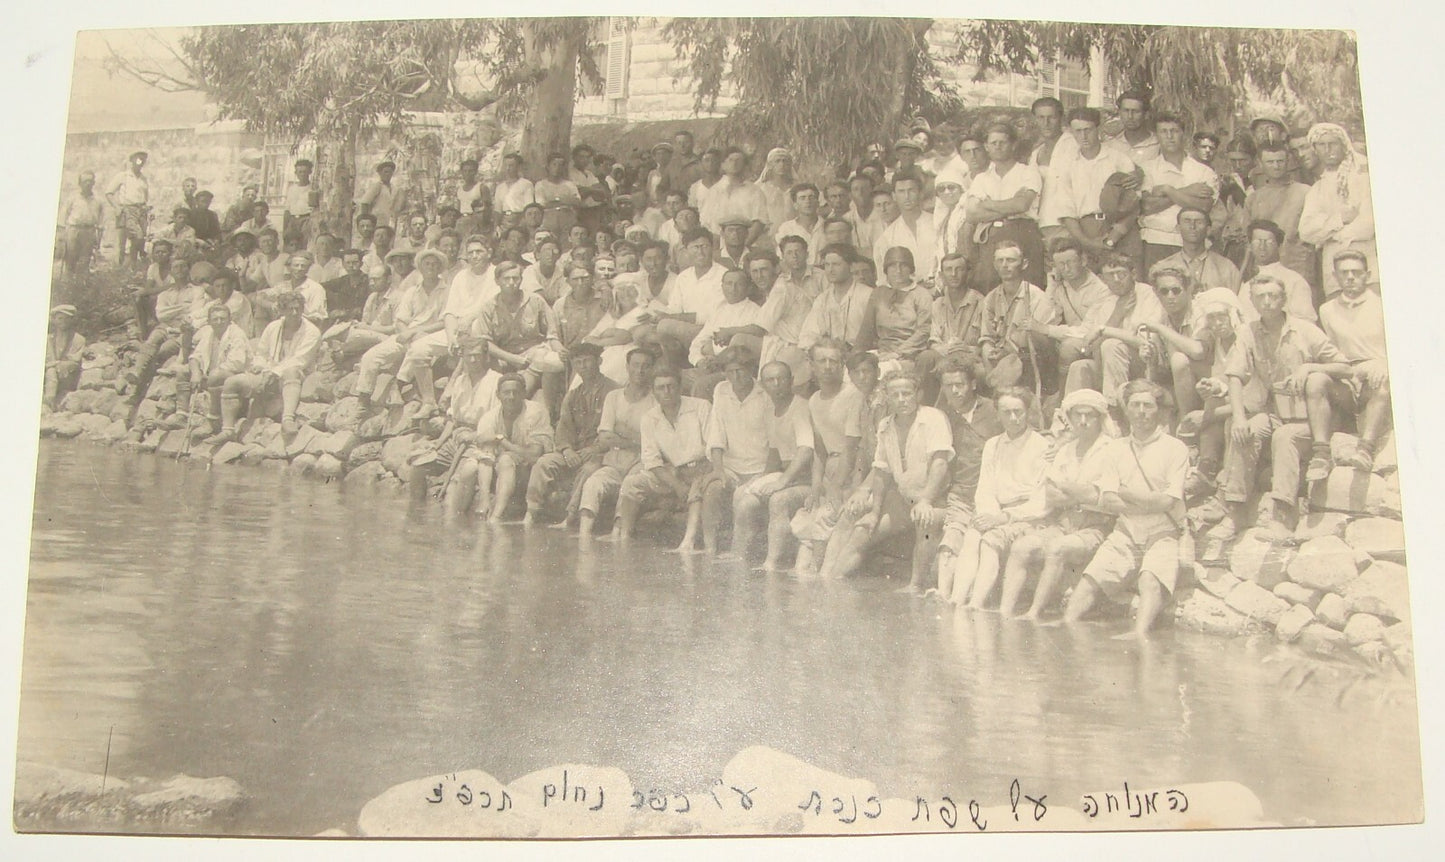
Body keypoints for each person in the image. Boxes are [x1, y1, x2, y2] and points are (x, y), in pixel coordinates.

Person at [1217, 275, 1354, 541]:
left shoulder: (1304, 331)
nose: (1267, 302)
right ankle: (1233, 510)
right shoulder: (1249, 332)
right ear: (1253, 301)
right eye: (1260, 297)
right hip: (1277, 411)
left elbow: (1345, 366)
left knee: (1285, 436)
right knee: (1249, 429)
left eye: (1273, 296)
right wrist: (1238, 418)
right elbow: (1234, 375)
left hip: (1315, 417)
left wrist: (1311, 367)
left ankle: (1283, 516)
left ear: (1284, 300)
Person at [1066, 379, 1189, 639]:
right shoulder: (1116, 448)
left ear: (1158, 410)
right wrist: (1147, 500)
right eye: (1135, 405)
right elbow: (1108, 500)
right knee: (1089, 581)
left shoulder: (1175, 449)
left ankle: (1139, 635)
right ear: (1127, 409)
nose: (1141, 412)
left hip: (1163, 530)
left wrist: (1126, 492)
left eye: (1148, 406)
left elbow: (1168, 502)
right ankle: (1064, 629)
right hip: (1126, 531)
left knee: (1150, 581)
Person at [823, 370, 952, 585]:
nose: (901, 400)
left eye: (907, 393)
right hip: (902, 499)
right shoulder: (885, 426)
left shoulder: (933, 418)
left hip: (936, 498)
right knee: (862, 531)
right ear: (888, 397)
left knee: (925, 521)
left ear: (918, 395)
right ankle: (830, 582)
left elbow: (940, 464)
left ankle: (915, 587)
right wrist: (874, 513)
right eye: (895, 395)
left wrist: (926, 500)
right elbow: (881, 471)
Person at [997, 388, 1113, 619]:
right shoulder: (1066, 450)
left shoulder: (1111, 449)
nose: (1083, 421)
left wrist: (1073, 491)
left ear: (1099, 417)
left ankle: (1034, 612)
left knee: (1057, 548)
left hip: (1096, 526)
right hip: (1063, 522)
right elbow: (1051, 493)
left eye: (1089, 415)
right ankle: (1004, 612)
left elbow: (1102, 497)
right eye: (1077, 415)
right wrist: (1081, 494)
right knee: (1022, 546)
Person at [946, 386, 1050, 608]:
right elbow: (985, 487)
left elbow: (1042, 500)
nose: (1013, 418)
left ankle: (976, 603)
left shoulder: (1042, 446)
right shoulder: (993, 445)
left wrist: (1003, 518)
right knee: (973, 535)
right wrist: (989, 515)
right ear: (998, 414)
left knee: (989, 541)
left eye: (1018, 411)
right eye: (1006, 412)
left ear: (1027, 412)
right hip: (995, 511)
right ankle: (956, 599)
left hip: (1026, 517)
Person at [683, 347, 771, 555]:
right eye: (730, 372)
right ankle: (710, 548)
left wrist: (765, 474)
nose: (735, 377)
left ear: (750, 369)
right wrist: (718, 469)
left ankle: (736, 552)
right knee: (712, 489)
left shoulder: (765, 393)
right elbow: (717, 432)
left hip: (760, 468)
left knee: (743, 499)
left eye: (740, 370)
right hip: (731, 466)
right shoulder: (721, 390)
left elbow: (773, 439)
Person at [928, 356, 1005, 596]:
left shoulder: (994, 410)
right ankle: (945, 598)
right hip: (961, 495)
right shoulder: (941, 415)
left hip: (995, 496)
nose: (954, 390)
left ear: (972, 384)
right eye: (948, 385)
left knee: (978, 551)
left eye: (959, 384)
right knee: (947, 552)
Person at [397, 236, 497, 416]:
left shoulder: (494, 275)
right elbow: (449, 313)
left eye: (479, 252)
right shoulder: (460, 276)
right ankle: (428, 401)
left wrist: (468, 320)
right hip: (457, 329)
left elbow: (488, 307)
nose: (474, 256)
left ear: (489, 253)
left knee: (473, 331)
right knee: (418, 349)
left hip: (482, 329)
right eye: (471, 253)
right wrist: (451, 338)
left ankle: (452, 391)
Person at [730, 360, 815, 567]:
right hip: (785, 474)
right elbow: (775, 451)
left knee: (779, 500)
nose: (776, 384)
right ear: (762, 384)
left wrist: (782, 481)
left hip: (806, 477)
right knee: (743, 495)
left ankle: (771, 562)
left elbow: (806, 451)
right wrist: (764, 477)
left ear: (791, 381)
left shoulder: (800, 407)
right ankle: (738, 555)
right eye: (770, 380)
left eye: (781, 379)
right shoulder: (770, 410)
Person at [615, 366, 712, 542]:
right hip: (673, 473)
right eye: (661, 388)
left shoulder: (701, 407)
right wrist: (677, 484)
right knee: (631, 483)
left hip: (702, 469)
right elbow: (651, 460)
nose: (667, 392)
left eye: (671, 386)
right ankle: (624, 537)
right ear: (653, 391)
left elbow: (712, 447)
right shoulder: (649, 418)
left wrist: (694, 476)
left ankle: (688, 542)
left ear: (680, 387)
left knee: (698, 489)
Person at [523, 342, 615, 527]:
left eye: (587, 361)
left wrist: (594, 449)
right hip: (575, 450)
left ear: (599, 361)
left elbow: (613, 431)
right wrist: (566, 450)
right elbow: (563, 427)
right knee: (543, 463)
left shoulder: (613, 392)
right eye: (578, 362)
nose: (583, 366)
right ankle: (531, 512)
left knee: (589, 469)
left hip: (601, 450)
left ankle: (570, 516)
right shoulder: (572, 395)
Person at [1062, 250, 1165, 412]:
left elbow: (1146, 343)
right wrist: (1116, 315)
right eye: (1110, 275)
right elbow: (1090, 347)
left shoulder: (1149, 295)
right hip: (1109, 365)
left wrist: (1105, 330)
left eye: (1121, 274)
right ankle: (1069, 416)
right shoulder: (1106, 300)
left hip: (1146, 363)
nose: (1116, 280)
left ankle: (1114, 410)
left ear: (1133, 274)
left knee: (1111, 345)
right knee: (1079, 366)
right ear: (1103, 278)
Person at [1317, 250, 1391, 471]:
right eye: (1344, 273)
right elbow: (1332, 350)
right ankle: (1319, 454)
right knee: (1318, 381)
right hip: (1348, 375)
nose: (1350, 278)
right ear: (1335, 276)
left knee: (1383, 383)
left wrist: (1384, 363)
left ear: (1367, 275)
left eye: (1356, 272)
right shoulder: (1326, 310)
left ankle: (1365, 448)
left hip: (1377, 370)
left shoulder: (1382, 305)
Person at [354, 248, 451, 410]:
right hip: (407, 335)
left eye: (435, 264)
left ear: (440, 268)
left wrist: (415, 332)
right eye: (427, 264)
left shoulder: (447, 291)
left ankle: (397, 385)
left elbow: (445, 321)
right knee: (371, 356)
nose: (430, 268)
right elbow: (400, 320)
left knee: (416, 348)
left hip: (431, 335)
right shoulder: (412, 291)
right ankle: (363, 399)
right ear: (420, 267)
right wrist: (406, 332)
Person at [217, 289, 321, 437]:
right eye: (289, 309)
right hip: (268, 372)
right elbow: (261, 353)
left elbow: (300, 360)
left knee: (291, 371)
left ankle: (288, 419)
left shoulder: (312, 331)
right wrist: (260, 367)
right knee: (231, 382)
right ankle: (227, 429)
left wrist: (274, 372)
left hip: (297, 376)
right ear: (282, 310)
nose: (294, 312)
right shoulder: (273, 327)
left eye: (298, 309)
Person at [577, 346, 657, 539]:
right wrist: (635, 437)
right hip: (614, 460)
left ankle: (617, 533)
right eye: (636, 365)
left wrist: (621, 433)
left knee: (629, 485)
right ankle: (583, 535)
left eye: (646, 366)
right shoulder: (613, 397)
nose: (640, 371)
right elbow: (605, 437)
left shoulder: (656, 401)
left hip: (641, 462)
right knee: (593, 483)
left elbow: (653, 443)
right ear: (627, 367)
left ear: (652, 370)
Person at [963, 123, 1045, 292]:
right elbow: (972, 213)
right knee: (988, 287)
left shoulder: (1027, 172)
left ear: (1013, 145)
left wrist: (989, 204)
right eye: (993, 143)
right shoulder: (981, 179)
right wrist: (1009, 207)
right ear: (987, 147)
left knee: (1027, 288)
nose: (998, 147)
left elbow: (1022, 204)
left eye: (1003, 142)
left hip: (1022, 233)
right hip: (990, 237)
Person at [1298, 123, 1378, 296]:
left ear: (1343, 145)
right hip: (1333, 268)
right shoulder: (1317, 189)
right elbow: (1306, 231)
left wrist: (1331, 234)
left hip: (1366, 263)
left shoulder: (1364, 179)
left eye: (1333, 143)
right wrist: (1339, 219)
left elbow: (1368, 225)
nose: (1328, 149)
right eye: (1321, 145)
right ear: (1315, 150)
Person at [1057, 107, 1142, 265]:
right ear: (1071, 132)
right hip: (1085, 231)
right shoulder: (1066, 165)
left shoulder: (1119, 159)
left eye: (1088, 130)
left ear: (1098, 128)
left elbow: (1134, 203)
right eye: (1078, 131)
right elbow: (1066, 210)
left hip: (1121, 230)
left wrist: (1112, 238)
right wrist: (1086, 242)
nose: (1083, 136)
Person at [978, 241, 1060, 397]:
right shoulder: (991, 298)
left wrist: (1008, 352)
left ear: (1024, 264)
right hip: (998, 358)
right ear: (995, 265)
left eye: (1010, 260)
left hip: (1028, 358)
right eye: (1000, 261)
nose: (1004, 265)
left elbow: (1041, 340)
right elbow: (987, 337)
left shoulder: (1037, 297)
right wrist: (989, 355)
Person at [126, 259, 204, 422]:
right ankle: (136, 373)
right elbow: (161, 314)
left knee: (160, 352)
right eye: (176, 267)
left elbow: (195, 311)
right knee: (152, 341)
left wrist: (175, 312)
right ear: (172, 272)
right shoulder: (165, 293)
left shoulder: (197, 290)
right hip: (165, 326)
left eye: (183, 266)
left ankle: (137, 391)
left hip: (182, 330)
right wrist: (183, 308)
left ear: (188, 270)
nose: (179, 270)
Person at [472, 260, 564, 397]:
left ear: (521, 280)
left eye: (515, 278)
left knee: (552, 361)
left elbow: (552, 334)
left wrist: (561, 352)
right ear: (497, 281)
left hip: (533, 354)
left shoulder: (535, 301)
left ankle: (521, 395)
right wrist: (512, 359)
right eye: (506, 278)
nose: (511, 282)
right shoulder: (489, 307)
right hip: (503, 356)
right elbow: (485, 343)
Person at [471, 373, 555, 523]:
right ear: (498, 395)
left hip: (532, 472)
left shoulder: (536, 412)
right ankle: (482, 505)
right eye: (506, 392)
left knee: (505, 459)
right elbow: (482, 442)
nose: (511, 397)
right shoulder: (490, 416)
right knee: (473, 465)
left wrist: (501, 440)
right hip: (503, 471)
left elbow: (534, 455)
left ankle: (496, 516)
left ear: (524, 393)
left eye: (515, 392)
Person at [857, 246, 933, 380]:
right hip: (881, 353)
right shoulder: (878, 293)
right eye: (892, 266)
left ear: (911, 269)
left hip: (910, 356)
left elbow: (924, 331)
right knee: (854, 371)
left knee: (880, 372)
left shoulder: (922, 295)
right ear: (886, 270)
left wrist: (897, 353)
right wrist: (856, 355)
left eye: (903, 265)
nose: (898, 271)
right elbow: (866, 330)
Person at [1246, 143, 1313, 287]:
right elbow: (1249, 241)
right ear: (1260, 163)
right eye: (1270, 162)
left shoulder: (1305, 192)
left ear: (1288, 162)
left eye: (1280, 161)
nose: (1276, 166)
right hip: (1265, 269)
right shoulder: (1254, 198)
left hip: (1298, 266)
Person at [687, 268, 766, 389]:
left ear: (748, 287)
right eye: (729, 284)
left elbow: (742, 354)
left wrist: (713, 354)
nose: (733, 289)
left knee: (701, 385)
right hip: (707, 365)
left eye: (738, 284)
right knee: (678, 377)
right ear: (722, 286)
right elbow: (698, 342)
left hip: (732, 372)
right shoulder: (719, 310)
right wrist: (699, 361)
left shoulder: (755, 313)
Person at [757, 235, 819, 386]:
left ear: (807, 254)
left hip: (815, 334)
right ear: (783, 257)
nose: (795, 256)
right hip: (790, 339)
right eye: (789, 253)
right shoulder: (781, 283)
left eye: (798, 251)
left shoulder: (821, 277)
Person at [654, 227, 725, 358]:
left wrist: (670, 318)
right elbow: (674, 309)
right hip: (684, 328)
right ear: (686, 251)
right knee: (645, 331)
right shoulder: (684, 276)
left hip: (710, 330)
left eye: (704, 246)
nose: (701, 252)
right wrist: (659, 314)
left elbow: (711, 316)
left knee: (664, 326)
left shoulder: (723, 275)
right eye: (695, 247)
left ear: (713, 248)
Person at [191, 304, 252, 441]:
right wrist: (196, 373)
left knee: (216, 375)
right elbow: (196, 356)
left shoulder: (236, 334)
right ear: (209, 321)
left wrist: (210, 374)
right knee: (183, 372)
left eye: (222, 319)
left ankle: (213, 420)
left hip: (239, 378)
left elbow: (237, 363)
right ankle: (181, 415)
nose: (219, 322)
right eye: (215, 319)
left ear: (229, 320)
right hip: (213, 376)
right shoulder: (208, 333)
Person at [798, 243, 873, 351]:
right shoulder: (822, 299)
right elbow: (809, 334)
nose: (830, 270)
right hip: (831, 357)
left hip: (861, 356)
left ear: (851, 267)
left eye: (836, 264)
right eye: (827, 265)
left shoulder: (867, 295)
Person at [1151, 207, 1241, 294]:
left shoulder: (1226, 267)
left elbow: (1236, 303)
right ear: (1178, 228)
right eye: (1187, 221)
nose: (1192, 226)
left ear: (1208, 230)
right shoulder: (1164, 267)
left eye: (1199, 222)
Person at [1242, 220, 1315, 321]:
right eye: (1257, 241)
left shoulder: (1294, 280)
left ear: (1279, 246)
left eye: (1269, 242)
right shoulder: (1243, 282)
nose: (1262, 247)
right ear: (1249, 246)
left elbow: (1306, 322)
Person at [873, 174, 938, 286]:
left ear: (920, 193)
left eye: (911, 190)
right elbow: (884, 281)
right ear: (894, 196)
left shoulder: (937, 223)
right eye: (901, 192)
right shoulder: (887, 238)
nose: (906, 196)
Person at [702, 148, 768, 243]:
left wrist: (744, 245)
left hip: (747, 244)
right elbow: (706, 223)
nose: (734, 163)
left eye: (738, 160)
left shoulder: (755, 191)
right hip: (717, 244)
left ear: (745, 166)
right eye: (730, 160)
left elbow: (759, 222)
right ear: (723, 165)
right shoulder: (714, 191)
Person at [105, 150, 149, 268]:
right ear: (132, 160)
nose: (140, 162)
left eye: (143, 160)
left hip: (141, 211)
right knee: (132, 238)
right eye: (138, 159)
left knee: (140, 239)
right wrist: (117, 207)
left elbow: (145, 197)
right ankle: (120, 266)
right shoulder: (123, 176)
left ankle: (132, 265)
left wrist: (146, 209)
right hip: (127, 210)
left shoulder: (143, 179)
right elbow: (109, 193)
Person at [59, 170, 104, 279]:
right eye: (85, 181)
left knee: (85, 259)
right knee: (70, 257)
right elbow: (63, 216)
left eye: (90, 181)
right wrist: (62, 235)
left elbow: (101, 221)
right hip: (73, 230)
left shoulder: (98, 200)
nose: (88, 184)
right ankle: (68, 283)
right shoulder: (72, 198)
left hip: (89, 231)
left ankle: (81, 285)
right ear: (80, 183)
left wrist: (99, 237)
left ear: (94, 183)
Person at [43, 305, 86, 412]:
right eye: (60, 318)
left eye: (67, 318)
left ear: (71, 320)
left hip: (69, 376)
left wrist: (55, 364)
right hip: (51, 374)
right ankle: (49, 402)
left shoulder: (78, 339)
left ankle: (50, 402)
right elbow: (47, 359)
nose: (63, 321)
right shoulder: (48, 339)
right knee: (51, 372)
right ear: (54, 321)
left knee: (52, 371)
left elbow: (74, 361)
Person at [1105, 90, 1160, 163]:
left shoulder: (1159, 145)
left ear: (1146, 114)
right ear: (1119, 113)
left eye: (1136, 111)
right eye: (1126, 111)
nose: (1130, 116)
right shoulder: (1110, 145)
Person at [321, 248, 369, 325]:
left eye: (355, 262)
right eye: (348, 263)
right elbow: (320, 286)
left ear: (361, 264)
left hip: (362, 321)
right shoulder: (342, 281)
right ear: (343, 264)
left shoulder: (368, 281)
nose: (351, 266)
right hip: (342, 321)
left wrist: (344, 312)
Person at [775, 183, 826, 255]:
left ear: (817, 202)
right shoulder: (786, 228)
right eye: (802, 198)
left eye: (811, 197)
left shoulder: (827, 225)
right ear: (795, 205)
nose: (808, 201)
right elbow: (781, 256)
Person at [283, 158, 318, 249]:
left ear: (309, 172)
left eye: (305, 171)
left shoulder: (313, 188)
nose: (302, 174)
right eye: (300, 172)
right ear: (296, 173)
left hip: (306, 220)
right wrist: (285, 227)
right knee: (291, 244)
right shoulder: (291, 189)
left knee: (304, 244)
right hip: (293, 220)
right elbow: (287, 209)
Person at [356, 159, 401, 228]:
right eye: (385, 172)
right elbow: (365, 203)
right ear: (380, 173)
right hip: (376, 222)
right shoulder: (377, 186)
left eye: (390, 172)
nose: (388, 174)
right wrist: (367, 221)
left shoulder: (394, 188)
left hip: (389, 222)